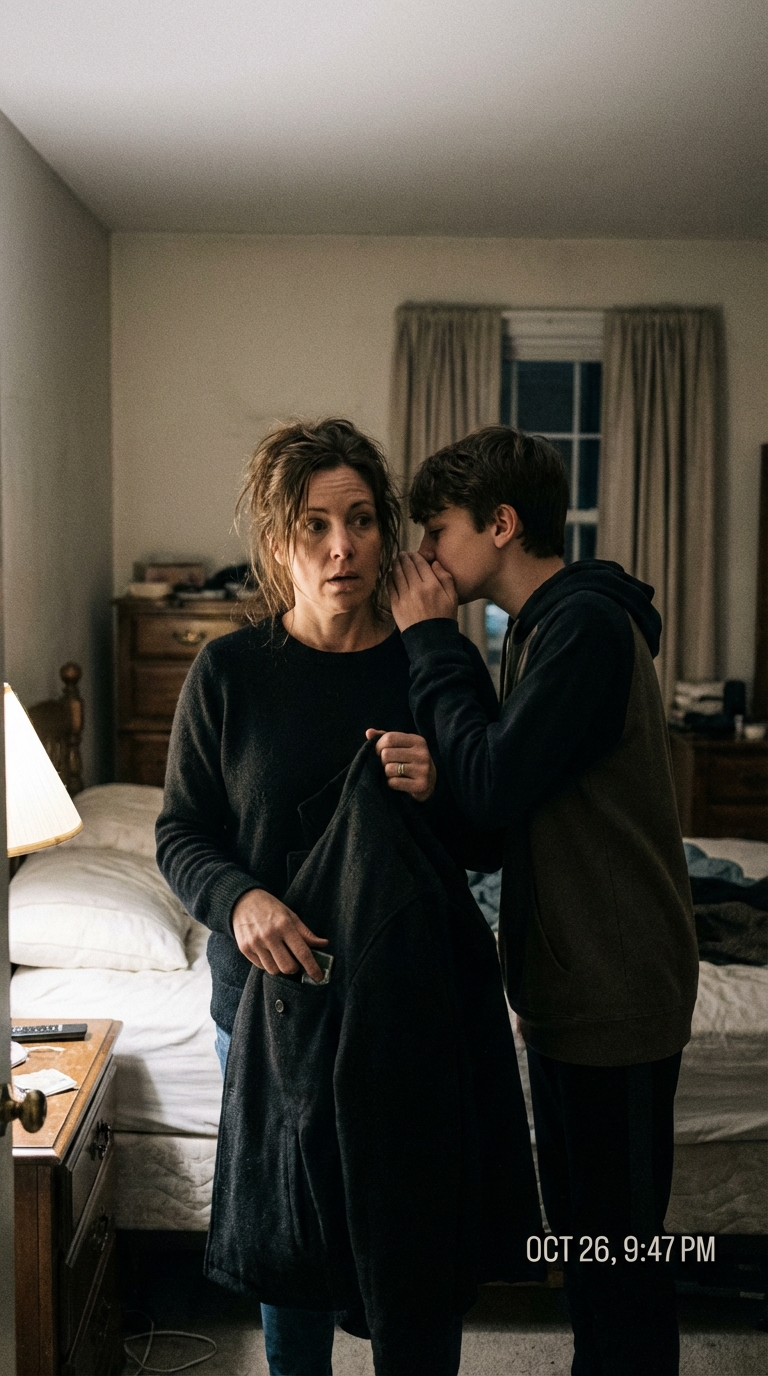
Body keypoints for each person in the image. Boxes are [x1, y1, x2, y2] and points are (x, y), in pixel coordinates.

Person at [155, 418, 510, 1376]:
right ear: (280, 542)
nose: (341, 546)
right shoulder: (229, 673)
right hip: (268, 1009)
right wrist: (241, 901)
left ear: (387, 533)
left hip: (407, 1009)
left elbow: (489, 838)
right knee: (294, 1246)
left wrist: (439, 787)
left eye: (360, 521)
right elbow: (180, 833)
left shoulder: (430, 660)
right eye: (314, 525)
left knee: (416, 1243)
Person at [382, 425, 699, 1376]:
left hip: (617, 988)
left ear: (502, 524)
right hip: (574, 988)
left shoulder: (583, 628)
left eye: (437, 529)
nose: (426, 553)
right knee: (590, 1246)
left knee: (619, 1256)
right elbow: (501, 810)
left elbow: (491, 783)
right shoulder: (538, 631)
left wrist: (431, 640)